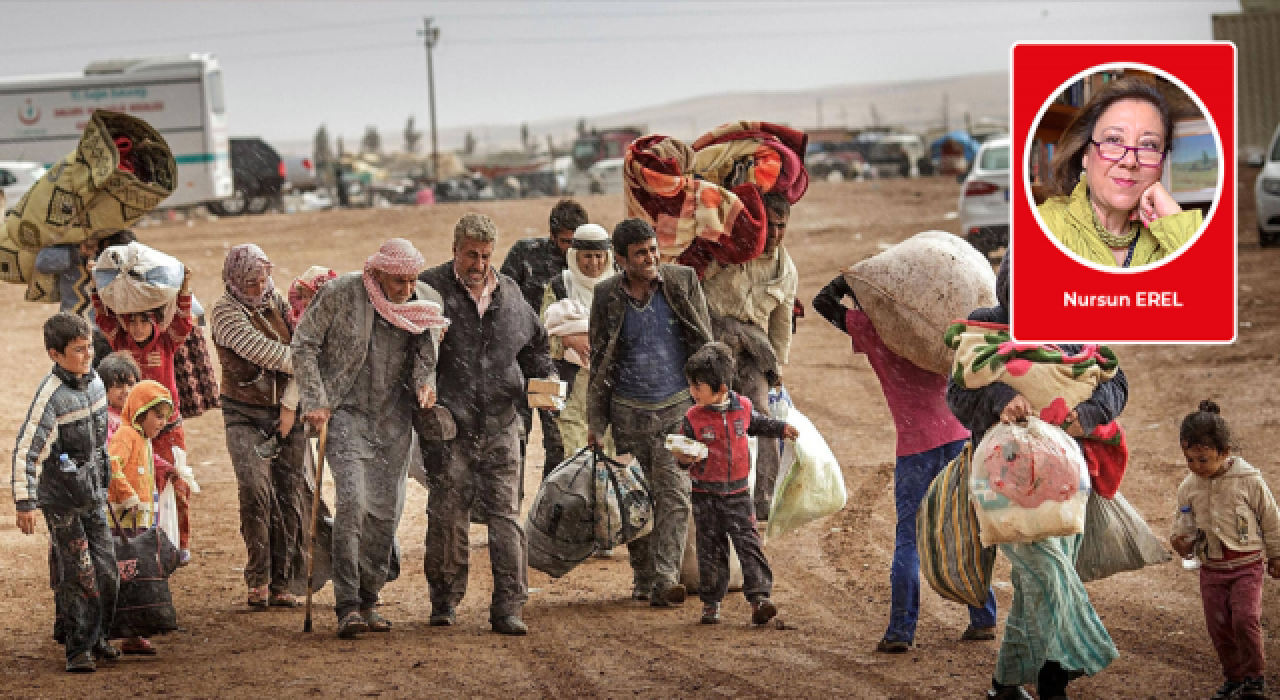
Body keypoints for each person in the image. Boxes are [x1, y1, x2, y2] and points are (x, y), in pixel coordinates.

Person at [947, 255, 1124, 700]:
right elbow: (957, 395)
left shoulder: (1071, 326)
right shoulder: (985, 329)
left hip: (1069, 481)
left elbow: (1115, 381)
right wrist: (1000, 397)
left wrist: (1090, 413)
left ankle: (1011, 683)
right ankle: (1071, 657)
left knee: (1033, 590)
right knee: (1047, 572)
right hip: (1005, 483)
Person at [812, 273, 998, 653]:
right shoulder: (942, 327)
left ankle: (901, 630)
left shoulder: (875, 332)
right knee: (968, 528)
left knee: (909, 538)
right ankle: (983, 618)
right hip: (959, 436)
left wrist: (854, 279)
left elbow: (823, 303)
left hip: (915, 448)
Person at [292, 238, 446, 639]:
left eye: (412, 281)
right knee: (353, 503)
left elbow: (427, 356)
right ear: (377, 273)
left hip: (395, 420)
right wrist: (316, 399)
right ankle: (347, 605)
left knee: (385, 511)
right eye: (398, 282)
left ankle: (369, 598)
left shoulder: (424, 301)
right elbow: (304, 344)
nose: (407, 289)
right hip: (345, 414)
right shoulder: (340, 293)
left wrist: (425, 385)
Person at [419, 213, 555, 636]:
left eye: (485, 256)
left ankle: (509, 607)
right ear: (455, 250)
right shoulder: (430, 290)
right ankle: (444, 601)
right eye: (470, 255)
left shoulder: (510, 294)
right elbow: (409, 350)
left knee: (506, 517)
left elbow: (536, 347)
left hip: (502, 423)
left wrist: (545, 380)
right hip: (450, 427)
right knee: (447, 514)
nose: (478, 264)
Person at [586, 218, 714, 606]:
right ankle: (643, 576)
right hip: (627, 415)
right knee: (636, 501)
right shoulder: (607, 295)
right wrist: (596, 422)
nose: (651, 258)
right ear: (622, 259)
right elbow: (600, 360)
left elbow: (704, 342)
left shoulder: (682, 281)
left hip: (677, 411)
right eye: (640, 253)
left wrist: (711, 401)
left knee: (676, 495)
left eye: (653, 250)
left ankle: (666, 578)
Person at [12, 312, 120, 673]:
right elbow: (27, 450)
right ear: (54, 355)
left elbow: (102, 445)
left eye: (89, 347)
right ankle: (78, 648)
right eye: (78, 349)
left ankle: (99, 636)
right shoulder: (50, 398)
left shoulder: (97, 384)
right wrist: (25, 501)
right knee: (78, 573)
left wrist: (107, 479)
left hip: (93, 494)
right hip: (61, 501)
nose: (88, 355)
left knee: (107, 571)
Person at [210, 244, 312, 609]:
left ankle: (283, 581)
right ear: (235, 280)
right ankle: (258, 578)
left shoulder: (277, 301)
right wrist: (309, 360)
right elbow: (274, 354)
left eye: (263, 278)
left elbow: (301, 345)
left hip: (287, 411)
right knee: (255, 490)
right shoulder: (225, 313)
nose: (259, 287)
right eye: (250, 282)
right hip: (244, 413)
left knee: (289, 493)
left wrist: (291, 404)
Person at [674, 342, 795, 626]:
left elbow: (758, 424)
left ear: (721, 388)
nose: (692, 392)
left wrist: (781, 429)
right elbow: (682, 455)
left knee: (749, 545)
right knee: (710, 550)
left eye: (698, 387)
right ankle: (711, 602)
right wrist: (684, 459)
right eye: (691, 385)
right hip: (705, 495)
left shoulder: (742, 407)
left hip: (739, 494)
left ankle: (760, 598)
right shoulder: (692, 418)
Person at [1171, 401, 1280, 700]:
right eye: (1189, 459)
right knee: (1219, 627)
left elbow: (1271, 518)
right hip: (1212, 570)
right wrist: (1180, 542)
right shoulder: (1189, 487)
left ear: (1225, 452)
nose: (1196, 466)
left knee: (1245, 620)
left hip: (1247, 566)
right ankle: (1234, 678)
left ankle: (1254, 678)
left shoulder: (1249, 480)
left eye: (1203, 459)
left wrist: (1276, 554)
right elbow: (1183, 524)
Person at [700, 191, 798, 519]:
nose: (775, 233)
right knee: (706, 415)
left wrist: (777, 367)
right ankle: (707, 492)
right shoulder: (730, 249)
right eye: (770, 225)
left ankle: (763, 501)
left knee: (762, 417)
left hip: (753, 350)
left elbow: (781, 323)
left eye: (782, 226)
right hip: (712, 341)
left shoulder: (786, 270)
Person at [90, 261, 195, 562]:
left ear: (155, 322)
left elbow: (183, 321)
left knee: (178, 485)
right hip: (135, 430)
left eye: (143, 322)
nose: (137, 328)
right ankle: (147, 543)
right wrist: (96, 284)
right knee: (142, 485)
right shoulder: (120, 342)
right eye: (132, 322)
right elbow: (103, 317)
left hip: (168, 427)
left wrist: (184, 287)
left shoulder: (167, 342)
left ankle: (181, 544)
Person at [1038, 78, 1202, 268]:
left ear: (1162, 162)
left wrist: (1177, 224)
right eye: (1114, 140)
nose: (1130, 161)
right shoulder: (1044, 225)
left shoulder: (1171, 237)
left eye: (1148, 145)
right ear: (1085, 154)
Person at [501, 199, 586, 479]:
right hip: (519, 363)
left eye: (576, 242)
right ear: (552, 235)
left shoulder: (590, 264)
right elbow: (501, 299)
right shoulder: (525, 255)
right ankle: (511, 502)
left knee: (560, 445)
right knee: (514, 442)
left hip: (562, 368)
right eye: (565, 242)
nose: (571, 249)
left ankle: (552, 503)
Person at [105, 379, 175, 656]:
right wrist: (128, 496)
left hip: (138, 522)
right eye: (157, 416)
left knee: (134, 577)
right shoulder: (126, 436)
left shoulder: (143, 439)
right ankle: (115, 630)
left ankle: (132, 633)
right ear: (140, 412)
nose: (162, 423)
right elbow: (112, 465)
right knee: (124, 575)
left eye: (165, 417)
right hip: (123, 523)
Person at [539, 222, 616, 464]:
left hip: (611, 393)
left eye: (599, 256)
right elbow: (541, 337)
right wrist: (568, 340)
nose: (594, 263)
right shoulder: (559, 287)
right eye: (587, 256)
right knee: (576, 464)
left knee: (609, 465)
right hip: (572, 393)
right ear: (575, 256)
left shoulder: (618, 287)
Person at [98, 352, 141, 440]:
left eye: (131, 384)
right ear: (104, 390)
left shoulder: (141, 415)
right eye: (118, 386)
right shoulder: (105, 420)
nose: (126, 391)